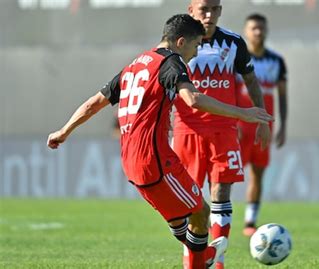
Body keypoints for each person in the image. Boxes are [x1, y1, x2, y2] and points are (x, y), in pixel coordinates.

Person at [46, 14, 273, 269]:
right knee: (201, 214)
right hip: (155, 162)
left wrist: (64, 131)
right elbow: (194, 99)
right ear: (180, 42)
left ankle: (202, 257)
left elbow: (93, 104)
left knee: (182, 223)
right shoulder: (172, 62)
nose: (196, 52)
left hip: (132, 163)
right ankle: (203, 261)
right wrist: (244, 113)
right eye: (195, 45)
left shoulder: (135, 64)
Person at [173, 1, 271, 268]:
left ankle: (218, 261)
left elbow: (250, 80)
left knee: (221, 192)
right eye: (203, 8)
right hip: (187, 130)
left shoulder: (234, 42)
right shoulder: (180, 42)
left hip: (224, 130)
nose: (209, 14)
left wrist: (262, 119)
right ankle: (192, 257)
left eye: (215, 8)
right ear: (191, 9)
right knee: (192, 201)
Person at [235, 13, 288, 237]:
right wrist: (231, 120)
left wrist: (283, 125)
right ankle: (216, 216)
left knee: (258, 174)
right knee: (224, 173)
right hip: (239, 126)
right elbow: (228, 91)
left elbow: (283, 96)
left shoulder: (276, 61)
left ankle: (250, 221)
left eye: (261, 28)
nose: (258, 32)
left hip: (263, 126)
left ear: (266, 30)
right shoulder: (236, 59)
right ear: (246, 31)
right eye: (253, 28)